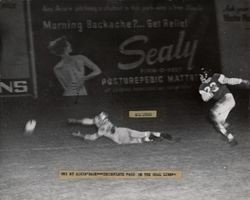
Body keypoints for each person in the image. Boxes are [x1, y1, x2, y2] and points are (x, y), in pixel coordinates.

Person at [199, 68, 250, 145]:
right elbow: (204, 99)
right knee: (217, 122)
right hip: (223, 103)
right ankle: (231, 138)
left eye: (201, 76)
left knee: (213, 113)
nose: (200, 78)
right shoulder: (202, 86)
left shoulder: (216, 77)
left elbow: (229, 80)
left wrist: (241, 81)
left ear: (205, 75)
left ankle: (227, 125)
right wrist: (210, 92)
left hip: (227, 98)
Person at [68, 112, 180, 144]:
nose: (97, 118)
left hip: (120, 141)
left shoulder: (100, 125)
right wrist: (77, 122)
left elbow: (92, 135)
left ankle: (155, 139)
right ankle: (168, 137)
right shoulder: (104, 125)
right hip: (123, 132)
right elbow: (109, 128)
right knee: (147, 133)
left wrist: (81, 135)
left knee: (142, 140)